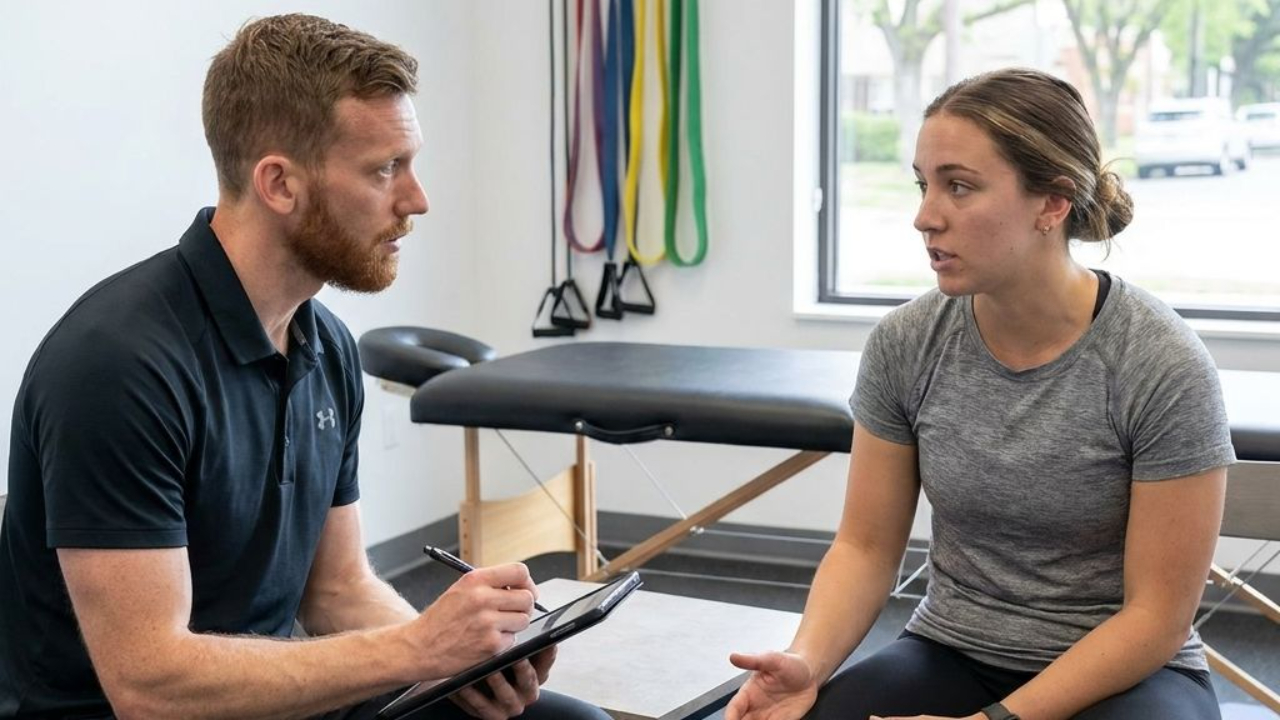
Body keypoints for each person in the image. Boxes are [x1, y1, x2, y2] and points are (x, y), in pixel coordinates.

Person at [0, 13, 609, 720]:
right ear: (280, 184)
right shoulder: (117, 367)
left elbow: (337, 589)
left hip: (275, 693)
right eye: (385, 169)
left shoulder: (325, 345)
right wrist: (415, 649)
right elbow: (150, 683)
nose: (417, 200)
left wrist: (467, 658)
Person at [726, 68, 1235, 720]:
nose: (924, 216)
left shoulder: (1158, 362)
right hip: (954, 648)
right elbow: (865, 547)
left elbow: (1156, 617)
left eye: (958, 187)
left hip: (1128, 671)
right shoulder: (907, 342)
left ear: (1051, 204)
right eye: (923, 183)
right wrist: (807, 661)